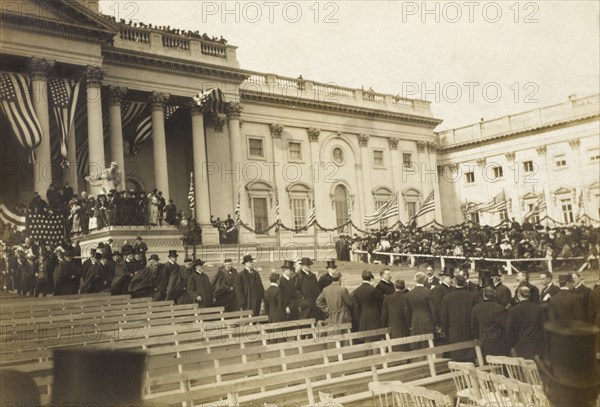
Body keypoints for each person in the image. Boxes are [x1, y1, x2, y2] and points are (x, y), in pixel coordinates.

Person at [441, 275, 477, 361]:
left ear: (455, 282)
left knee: (457, 361)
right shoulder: (472, 297)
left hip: (454, 332)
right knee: (470, 361)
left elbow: (444, 318)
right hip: (469, 332)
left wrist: (447, 332)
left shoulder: (447, 298)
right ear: (464, 283)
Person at [506, 286, 546, 359]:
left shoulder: (513, 310)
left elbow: (509, 330)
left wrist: (511, 346)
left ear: (518, 295)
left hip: (521, 346)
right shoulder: (539, 309)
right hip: (537, 345)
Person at [471, 286, 509, 358]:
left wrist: (476, 337)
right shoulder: (500, 308)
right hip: (499, 340)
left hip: (484, 340)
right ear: (494, 295)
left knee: (487, 363)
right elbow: (504, 325)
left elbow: (474, 326)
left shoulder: (476, 308)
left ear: (483, 294)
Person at [405, 271, 437, 349]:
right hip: (427, 320)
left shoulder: (409, 294)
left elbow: (407, 311)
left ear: (415, 280)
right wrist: (436, 322)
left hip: (415, 321)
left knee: (417, 344)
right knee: (428, 344)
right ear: (424, 280)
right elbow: (433, 310)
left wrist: (409, 323)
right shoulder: (428, 292)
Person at [352, 270, 384, 336]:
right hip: (375, 315)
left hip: (363, 316)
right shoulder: (373, 289)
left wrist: (359, 319)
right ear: (370, 278)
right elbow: (382, 299)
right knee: (376, 335)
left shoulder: (357, 290)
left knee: (367, 336)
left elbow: (357, 308)